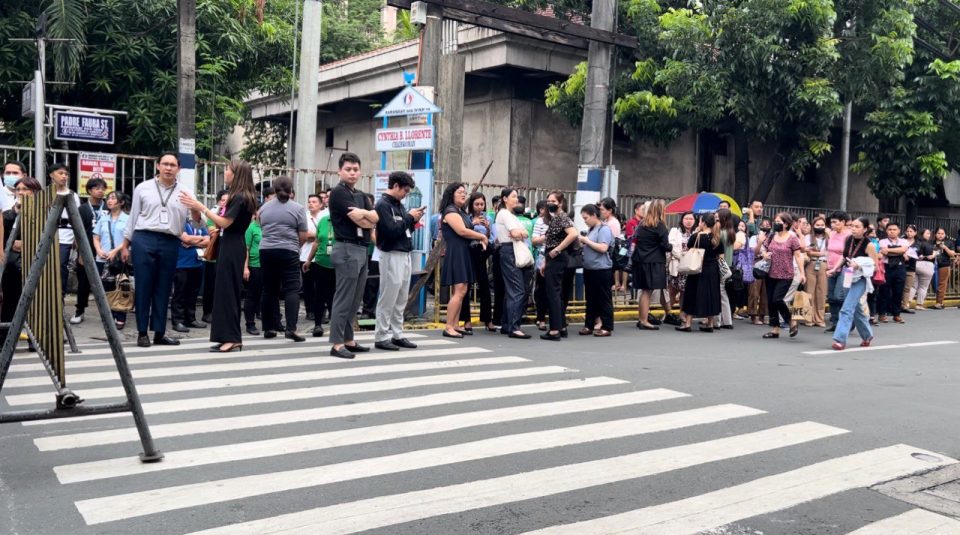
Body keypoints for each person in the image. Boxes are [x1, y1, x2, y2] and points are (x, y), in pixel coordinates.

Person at [181, 160, 256, 352]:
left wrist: (202, 208)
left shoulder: (240, 197)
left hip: (232, 246)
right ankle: (226, 337)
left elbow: (224, 222)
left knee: (228, 292)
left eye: (228, 170)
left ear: (236, 174)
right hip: (230, 244)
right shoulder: (241, 196)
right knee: (223, 292)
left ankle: (232, 338)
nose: (225, 173)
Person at [121, 152, 192, 347]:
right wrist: (125, 245)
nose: (168, 168)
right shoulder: (143, 188)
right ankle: (142, 332)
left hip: (170, 241)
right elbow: (133, 217)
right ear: (157, 166)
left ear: (178, 168)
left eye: (173, 165)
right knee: (144, 286)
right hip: (144, 238)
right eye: (165, 164)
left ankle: (159, 332)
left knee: (164, 287)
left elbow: (195, 219)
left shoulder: (185, 192)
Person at [328, 153, 379, 358]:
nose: (352, 173)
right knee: (344, 298)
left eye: (355, 169)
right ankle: (337, 343)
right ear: (339, 171)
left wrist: (365, 215)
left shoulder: (361, 195)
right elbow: (360, 221)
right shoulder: (338, 193)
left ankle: (348, 339)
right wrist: (367, 217)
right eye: (348, 169)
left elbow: (374, 218)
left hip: (362, 248)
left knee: (355, 299)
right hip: (346, 247)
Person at [372, 171, 424, 351]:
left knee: (401, 296)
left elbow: (403, 229)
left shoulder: (399, 205)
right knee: (388, 295)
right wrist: (409, 217)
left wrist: (413, 221)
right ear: (395, 186)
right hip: (391, 253)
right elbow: (390, 230)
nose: (406, 194)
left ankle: (397, 333)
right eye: (405, 190)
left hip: (404, 252)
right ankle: (381, 335)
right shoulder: (382, 205)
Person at [253, 175, 308, 343]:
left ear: (274, 190)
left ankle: (268, 328)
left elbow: (262, 227)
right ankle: (291, 329)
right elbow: (303, 235)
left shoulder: (263, 208)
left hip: (266, 250)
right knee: (292, 289)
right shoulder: (298, 208)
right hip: (288, 250)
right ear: (291, 191)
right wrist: (295, 247)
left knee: (269, 289)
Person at [439, 182, 488, 338]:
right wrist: (481, 236)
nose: (463, 194)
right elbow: (461, 231)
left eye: (464, 192)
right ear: (451, 194)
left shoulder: (460, 211)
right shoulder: (450, 211)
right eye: (460, 192)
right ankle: (449, 326)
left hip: (463, 252)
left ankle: (455, 324)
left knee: (461, 290)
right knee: (460, 290)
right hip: (457, 253)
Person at [1, 176, 42, 337]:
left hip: (35, 264)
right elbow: (3, 237)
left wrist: (28, 242)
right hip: (13, 267)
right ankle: (5, 339)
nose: (21, 192)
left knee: (36, 304)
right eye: (18, 189)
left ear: (35, 191)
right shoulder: (9, 214)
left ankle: (36, 338)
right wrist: (15, 212)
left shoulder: (44, 212)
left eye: (26, 189)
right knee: (10, 303)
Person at [830, 217, 878, 350]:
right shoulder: (848, 239)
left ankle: (840, 339)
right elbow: (844, 257)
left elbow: (875, 266)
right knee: (855, 308)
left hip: (860, 279)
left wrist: (859, 265)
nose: (853, 229)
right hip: (847, 275)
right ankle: (867, 335)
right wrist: (834, 269)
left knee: (846, 309)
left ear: (865, 229)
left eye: (857, 227)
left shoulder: (869, 245)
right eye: (852, 226)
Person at [537, 191, 578, 341]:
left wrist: (557, 249)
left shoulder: (562, 217)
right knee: (556, 294)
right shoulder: (556, 218)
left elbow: (573, 234)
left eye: (553, 201)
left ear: (560, 203)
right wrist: (545, 260)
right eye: (548, 201)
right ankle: (561, 327)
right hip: (552, 258)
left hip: (557, 258)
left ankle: (555, 330)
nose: (550, 204)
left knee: (553, 294)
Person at [70, 177, 109, 325]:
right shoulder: (83, 209)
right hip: (87, 249)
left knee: (108, 281)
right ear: (89, 190)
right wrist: (80, 252)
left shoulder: (108, 207)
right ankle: (80, 310)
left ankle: (111, 313)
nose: (100, 191)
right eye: (96, 188)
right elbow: (77, 231)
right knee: (84, 282)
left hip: (105, 249)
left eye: (102, 188)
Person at [760, 213, 805, 339]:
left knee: (777, 299)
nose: (776, 223)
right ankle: (775, 329)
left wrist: (802, 273)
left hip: (786, 274)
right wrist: (764, 254)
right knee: (771, 302)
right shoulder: (771, 236)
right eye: (775, 221)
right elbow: (763, 249)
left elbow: (798, 256)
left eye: (778, 221)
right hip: (770, 273)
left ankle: (790, 320)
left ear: (786, 224)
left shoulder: (792, 238)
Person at [496, 187, 533, 339]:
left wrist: (521, 234)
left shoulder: (510, 215)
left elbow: (524, 233)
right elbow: (517, 233)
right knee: (517, 290)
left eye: (517, 197)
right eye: (513, 196)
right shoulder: (505, 214)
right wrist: (521, 233)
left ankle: (507, 324)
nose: (516, 199)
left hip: (511, 250)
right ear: (505, 199)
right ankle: (514, 327)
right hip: (510, 250)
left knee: (512, 290)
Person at [677, 212, 723, 332]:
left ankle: (688, 323)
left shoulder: (696, 236)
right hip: (712, 269)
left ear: (704, 223)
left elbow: (689, 248)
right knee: (711, 294)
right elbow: (720, 256)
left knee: (692, 293)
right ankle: (710, 323)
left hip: (697, 268)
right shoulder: (716, 237)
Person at [632, 199, 672, 331]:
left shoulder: (642, 224)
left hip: (640, 260)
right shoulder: (660, 226)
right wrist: (672, 246)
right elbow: (665, 246)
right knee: (647, 292)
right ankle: (644, 320)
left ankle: (641, 319)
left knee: (644, 291)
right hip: (653, 261)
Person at [48, 163, 85, 297]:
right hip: (47, 236)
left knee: (61, 267)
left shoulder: (72, 195)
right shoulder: (45, 193)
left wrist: (77, 238)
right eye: (60, 173)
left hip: (65, 237)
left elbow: (77, 218)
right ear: (51, 175)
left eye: (66, 174)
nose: (64, 176)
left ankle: (60, 297)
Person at [169, 207, 209, 333]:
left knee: (193, 294)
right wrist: (198, 239)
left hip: (197, 263)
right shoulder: (178, 223)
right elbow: (185, 239)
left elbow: (208, 241)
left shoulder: (198, 224)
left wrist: (192, 242)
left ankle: (190, 319)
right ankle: (178, 321)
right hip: (181, 264)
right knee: (180, 293)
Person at [578, 204, 615, 337]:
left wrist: (586, 241)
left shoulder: (604, 229)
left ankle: (607, 326)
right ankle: (589, 325)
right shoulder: (592, 229)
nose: (585, 221)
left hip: (602, 269)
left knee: (604, 299)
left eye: (586, 218)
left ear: (594, 215)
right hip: (590, 268)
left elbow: (603, 248)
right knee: (590, 299)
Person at [462, 192, 494, 333]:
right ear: (471, 205)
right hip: (469, 252)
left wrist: (487, 228)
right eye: (476, 204)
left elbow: (491, 238)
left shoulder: (488, 218)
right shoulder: (466, 218)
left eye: (482, 204)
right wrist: (472, 224)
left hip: (482, 252)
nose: (479, 207)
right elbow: (463, 233)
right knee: (466, 286)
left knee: (484, 286)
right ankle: (466, 320)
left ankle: (488, 320)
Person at [303, 205, 336, 338]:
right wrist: (309, 260)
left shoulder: (344, 222)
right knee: (319, 295)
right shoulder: (323, 220)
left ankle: (336, 325)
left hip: (338, 265)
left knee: (334, 296)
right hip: (321, 262)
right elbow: (316, 242)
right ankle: (318, 325)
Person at [201, 190, 228, 324]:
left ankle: (221, 312)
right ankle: (207, 312)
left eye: (227, 201)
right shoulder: (213, 215)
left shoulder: (231, 216)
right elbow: (212, 231)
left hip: (226, 257)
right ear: (218, 201)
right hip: (213, 256)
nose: (225, 203)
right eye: (222, 200)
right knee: (210, 286)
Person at [876, 222, 908, 323]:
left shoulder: (904, 241)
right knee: (884, 291)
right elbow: (883, 251)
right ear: (886, 231)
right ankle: (882, 314)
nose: (892, 231)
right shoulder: (882, 241)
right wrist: (897, 251)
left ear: (899, 231)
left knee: (898, 291)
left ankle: (896, 314)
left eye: (894, 229)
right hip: (886, 267)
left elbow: (903, 250)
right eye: (890, 229)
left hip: (900, 267)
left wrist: (889, 250)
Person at [716, 208, 743, 329]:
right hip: (728, 265)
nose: (715, 220)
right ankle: (727, 320)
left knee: (719, 293)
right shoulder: (731, 232)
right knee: (723, 293)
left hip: (720, 265)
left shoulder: (721, 233)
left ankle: (718, 320)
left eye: (717, 218)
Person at [668, 212, 696, 326]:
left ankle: (682, 314)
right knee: (672, 291)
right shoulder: (675, 231)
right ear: (682, 220)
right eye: (686, 218)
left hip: (690, 266)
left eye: (691, 219)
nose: (688, 221)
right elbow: (672, 246)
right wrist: (683, 257)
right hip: (677, 264)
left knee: (685, 292)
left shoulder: (696, 232)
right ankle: (667, 313)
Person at [824, 211, 851, 332]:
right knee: (831, 297)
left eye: (835, 222)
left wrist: (835, 267)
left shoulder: (849, 235)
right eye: (831, 222)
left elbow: (846, 254)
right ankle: (835, 322)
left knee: (839, 296)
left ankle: (849, 320)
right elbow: (828, 250)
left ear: (843, 222)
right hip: (831, 267)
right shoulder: (831, 234)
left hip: (845, 269)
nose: (832, 225)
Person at [300, 194, 323, 321]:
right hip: (305, 256)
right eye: (309, 202)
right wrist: (319, 236)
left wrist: (314, 236)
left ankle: (321, 310)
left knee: (321, 285)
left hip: (321, 256)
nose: (311, 204)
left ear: (321, 204)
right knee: (308, 286)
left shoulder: (325, 216)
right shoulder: (304, 217)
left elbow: (328, 234)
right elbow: (304, 235)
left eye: (314, 202)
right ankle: (310, 311)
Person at [803, 216, 829, 327]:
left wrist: (817, 253)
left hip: (824, 265)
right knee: (809, 292)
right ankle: (808, 318)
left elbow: (830, 252)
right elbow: (808, 252)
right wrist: (821, 253)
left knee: (821, 293)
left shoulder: (828, 238)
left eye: (822, 225)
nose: (820, 227)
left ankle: (819, 319)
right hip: (811, 264)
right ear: (813, 226)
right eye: (817, 225)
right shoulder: (808, 237)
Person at [747, 218, 772, 325]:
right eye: (763, 225)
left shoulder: (773, 238)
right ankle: (753, 314)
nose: (765, 227)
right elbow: (753, 252)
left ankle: (763, 314)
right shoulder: (754, 237)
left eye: (768, 225)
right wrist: (760, 241)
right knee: (754, 290)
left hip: (769, 265)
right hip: (756, 264)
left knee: (765, 291)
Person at [243, 209, 263, 335]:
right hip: (254, 265)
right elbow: (246, 248)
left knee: (267, 295)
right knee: (252, 295)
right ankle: (250, 324)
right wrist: (245, 267)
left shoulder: (268, 226)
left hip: (267, 265)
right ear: (255, 214)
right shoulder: (251, 228)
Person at [532, 200, 549, 331]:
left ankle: (557, 320)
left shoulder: (563, 220)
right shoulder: (540, 221)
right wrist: (546, 237)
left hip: (558, 257)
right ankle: (541, 318)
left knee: (556, 291)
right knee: (541, 289)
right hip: (543, 256)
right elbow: (534, 240)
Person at [909, 228, 936, 310]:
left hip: (915, 264)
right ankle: (919, 304)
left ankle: (907, 303)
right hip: (927, 265)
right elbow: (931, 255)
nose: (929, 235)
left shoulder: (915, 243)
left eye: (929, 233)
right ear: (922, 234)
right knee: (923, 287)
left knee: (913, 286)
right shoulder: (928, 244)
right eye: (927, 233)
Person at [931, 227, 957, 309]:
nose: (940, 235)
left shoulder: (949, 242)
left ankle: (939, 302)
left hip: (944, 265)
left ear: (945, 234)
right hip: (932, 265)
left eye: (942, 233)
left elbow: (952, 254)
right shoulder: (931, 242)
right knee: (933, 283)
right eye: (938, 233)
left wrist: (945, 247)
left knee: (942, 284)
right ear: (935, 234)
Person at [900, 224, 919, 314]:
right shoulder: (901, 241)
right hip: (901, 266)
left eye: (911, 231)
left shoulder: (918, 243)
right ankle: (895, 305)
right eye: (907, 231)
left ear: (915, 233)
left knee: (907, 288)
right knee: (898, 287)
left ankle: (905, 305)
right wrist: (903, 254)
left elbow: (919, 253)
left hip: (911, 267)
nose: (909, 233)